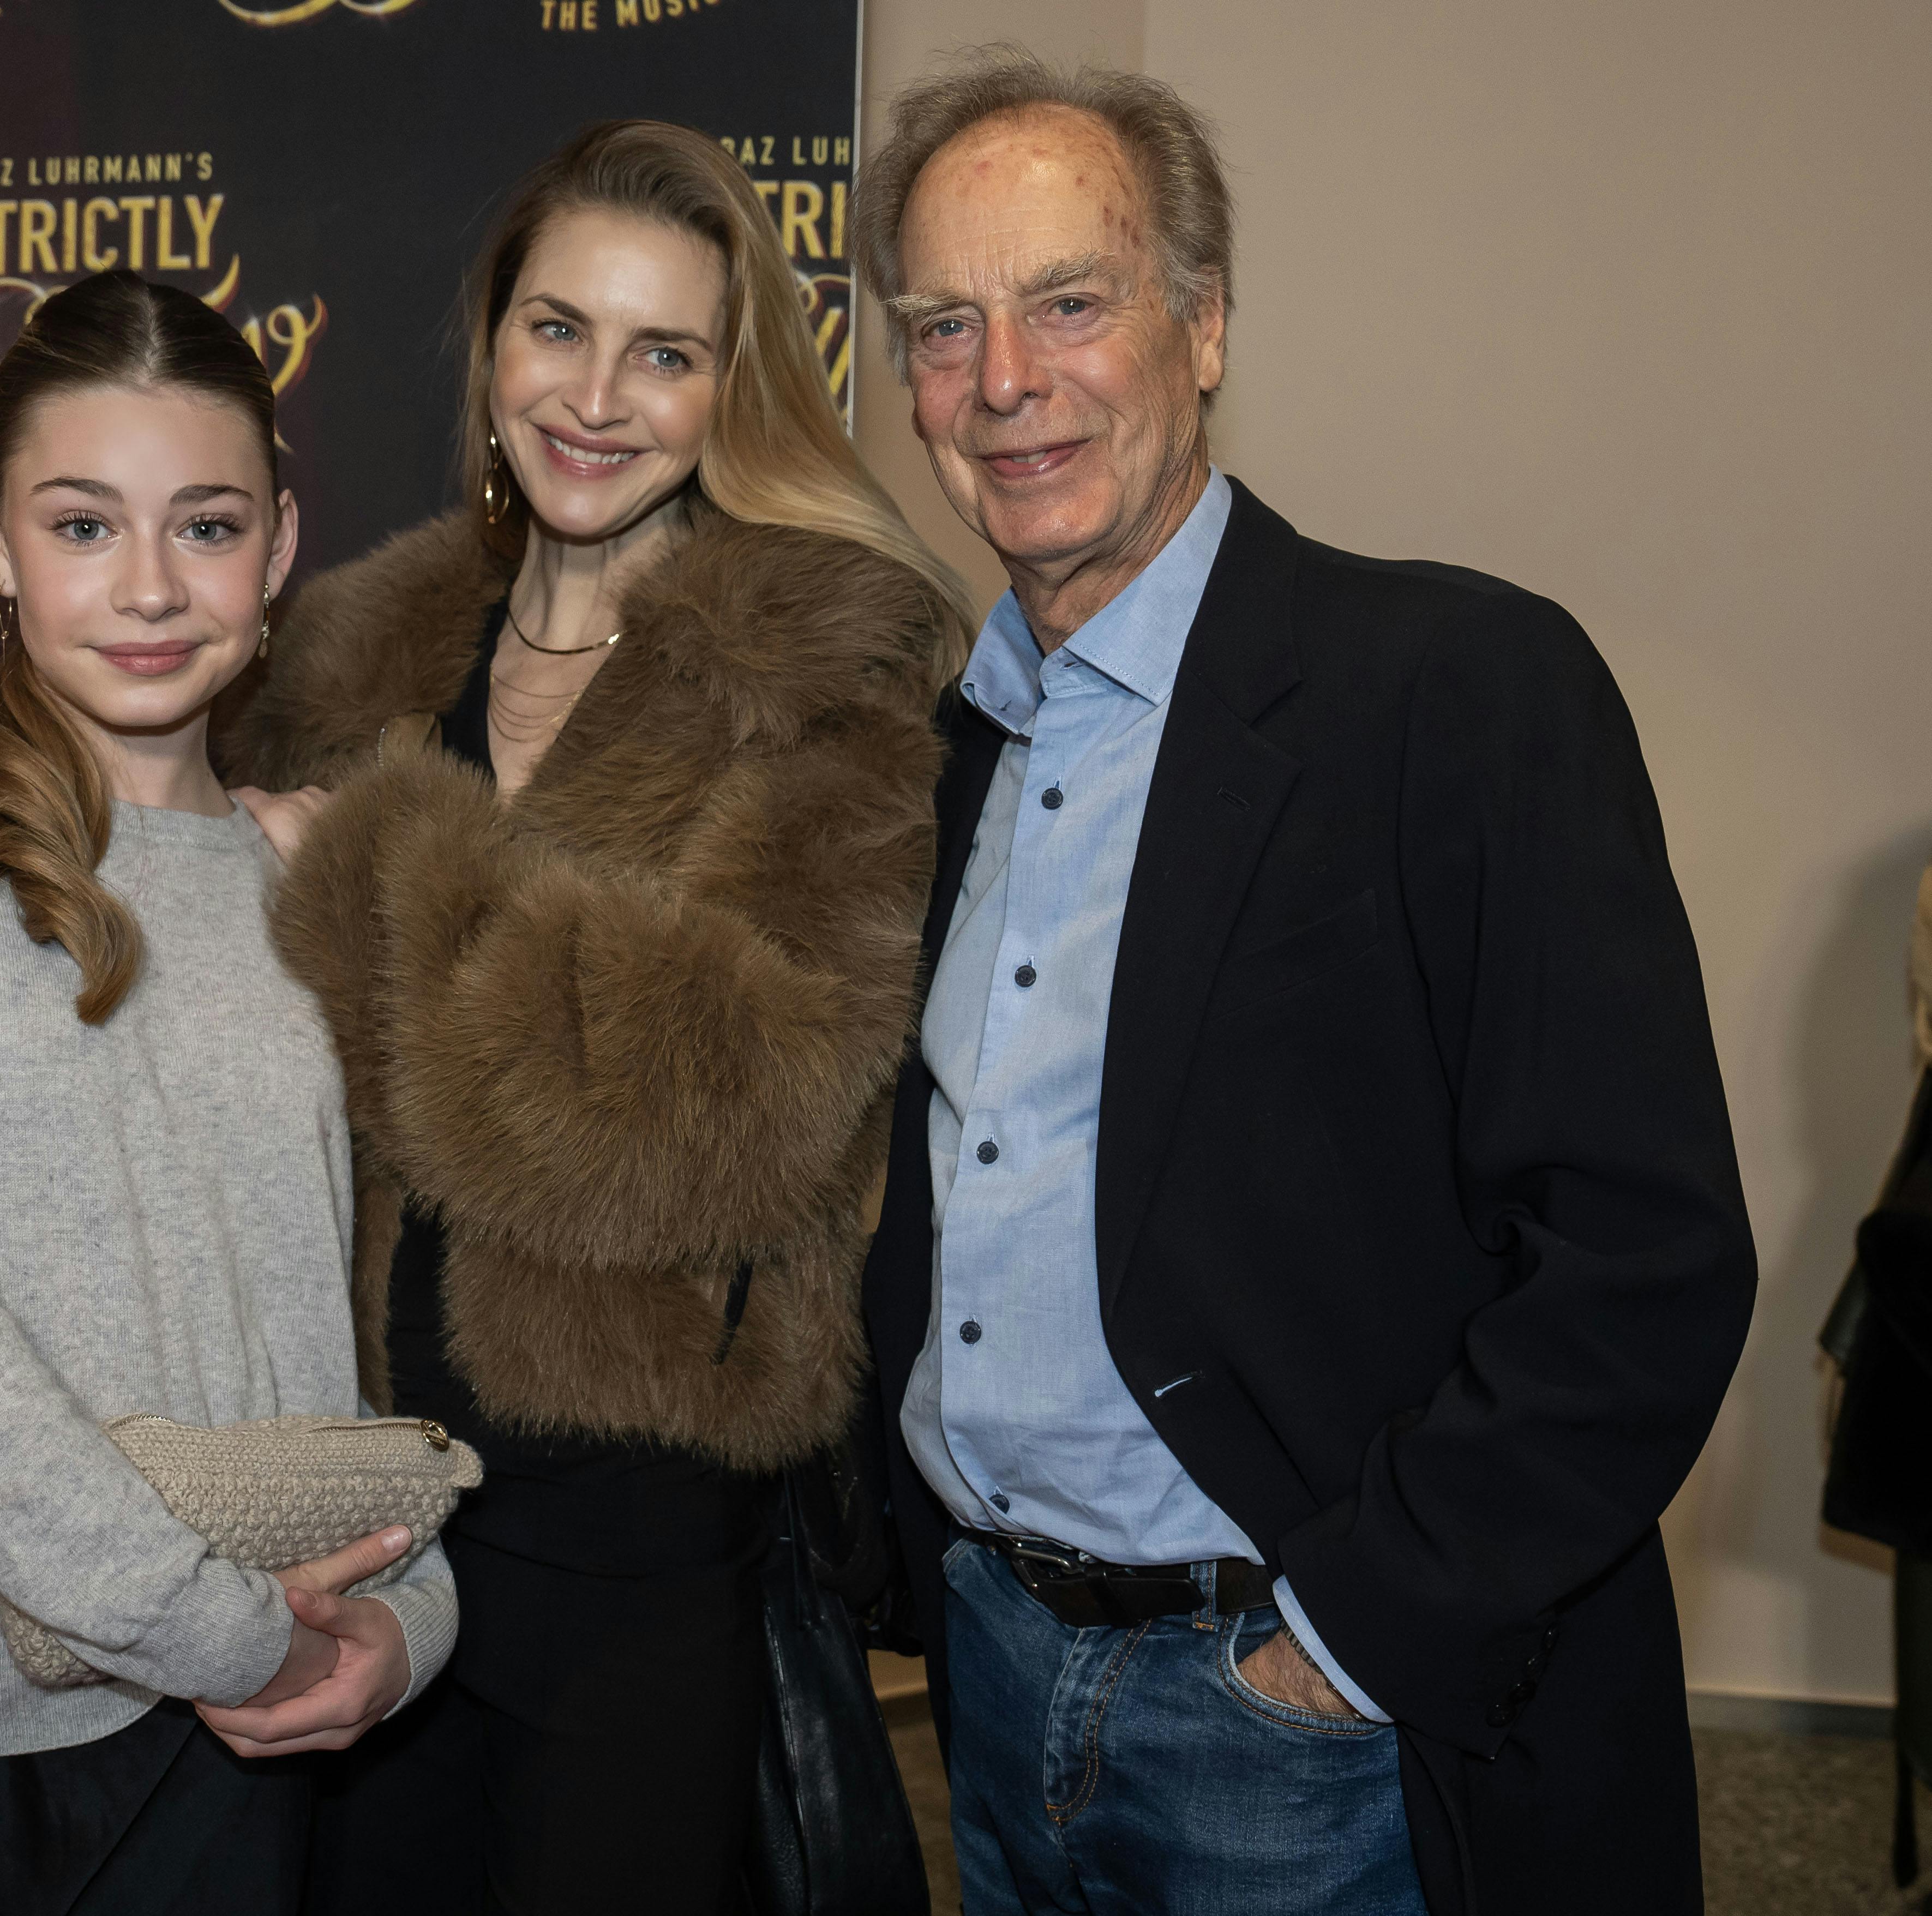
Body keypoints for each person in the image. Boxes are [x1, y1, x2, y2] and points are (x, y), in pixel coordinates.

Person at [850, 52, 1757, 1916]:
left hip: (1311, 1729)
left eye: (1068, 302)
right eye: (944, 326)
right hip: (1001, 1682)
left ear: (1204, 327)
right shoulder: (941, 763)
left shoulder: (1457, 695)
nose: (1002, 380)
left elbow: (1643, 1263)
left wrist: (1336, 1650)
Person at [214, 120, 969, 1915]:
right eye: (559, 328)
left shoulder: (825, 665)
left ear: (737, 389)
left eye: (667, 352)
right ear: (491, 344)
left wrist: (377, 859)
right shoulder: (343, 660)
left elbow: (723, 1112)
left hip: (629, 1524)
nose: (598, 396)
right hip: (352, 1511)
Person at [0, 270, 454, 1915]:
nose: (147, 588)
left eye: (202, 526)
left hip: (236, 1760)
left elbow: (356, 1333)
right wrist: (221, 1625)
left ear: (277, 546)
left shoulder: (315, 873)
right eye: (81, 523)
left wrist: (409, 1621)